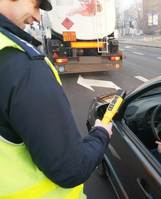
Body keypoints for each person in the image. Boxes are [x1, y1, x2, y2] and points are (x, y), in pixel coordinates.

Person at [0, 0, 112, 198]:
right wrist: (101, 133)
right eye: (35, 4)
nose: (36, 17)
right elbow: (70, 168)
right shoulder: (21, 65)